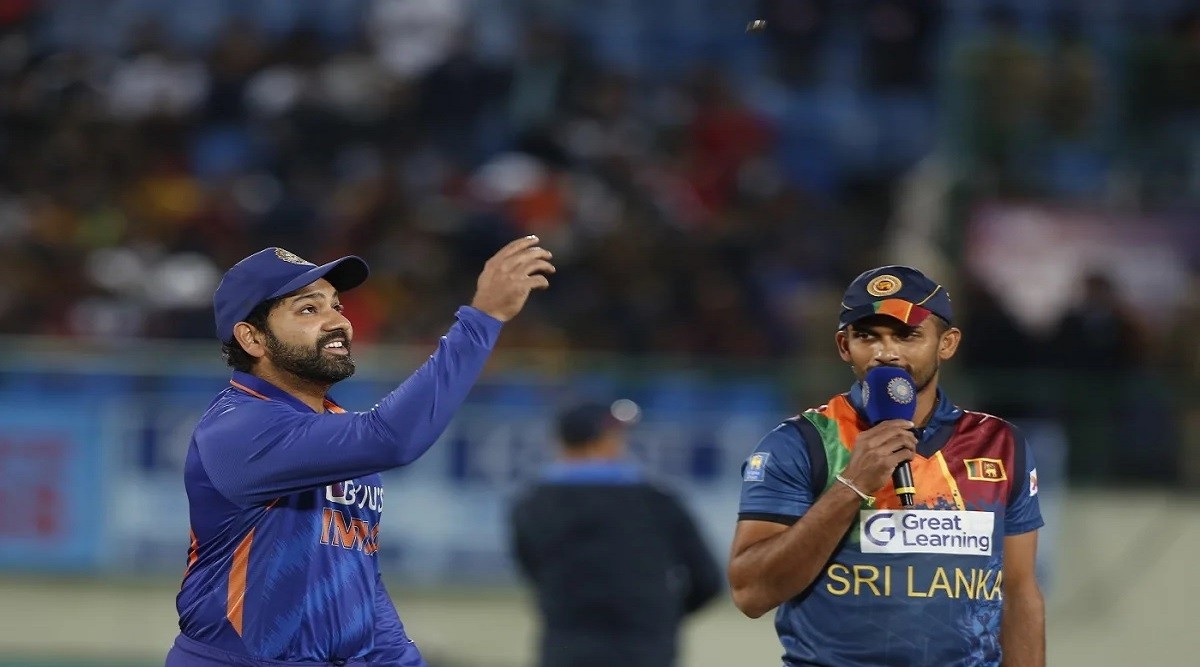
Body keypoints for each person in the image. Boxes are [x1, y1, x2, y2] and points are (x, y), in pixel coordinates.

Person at [166, 236, 554, 666]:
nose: (337, 321)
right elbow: (393, 437)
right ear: (252, 338)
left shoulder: (331, 425)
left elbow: (355, 581)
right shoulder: (239, 427)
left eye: (336, 306)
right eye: (308, 309)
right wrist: (481, 320)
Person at [727, 265, 1045, 666]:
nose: (886, 352)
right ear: (844, 346)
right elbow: (751, 593)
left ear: (947, 344)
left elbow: (1019, 593)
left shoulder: (1000, 445)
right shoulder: (800, 444)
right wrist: (851, 486)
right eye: (867, 336)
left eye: (907, 335)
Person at [510, 400, 722, 667]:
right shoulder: (657, 501)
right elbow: (707, 580)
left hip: (566, 648)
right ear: (603, 441)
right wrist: (660, 614)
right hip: (644, 650)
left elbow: (532, 572)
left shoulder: (531, 505)